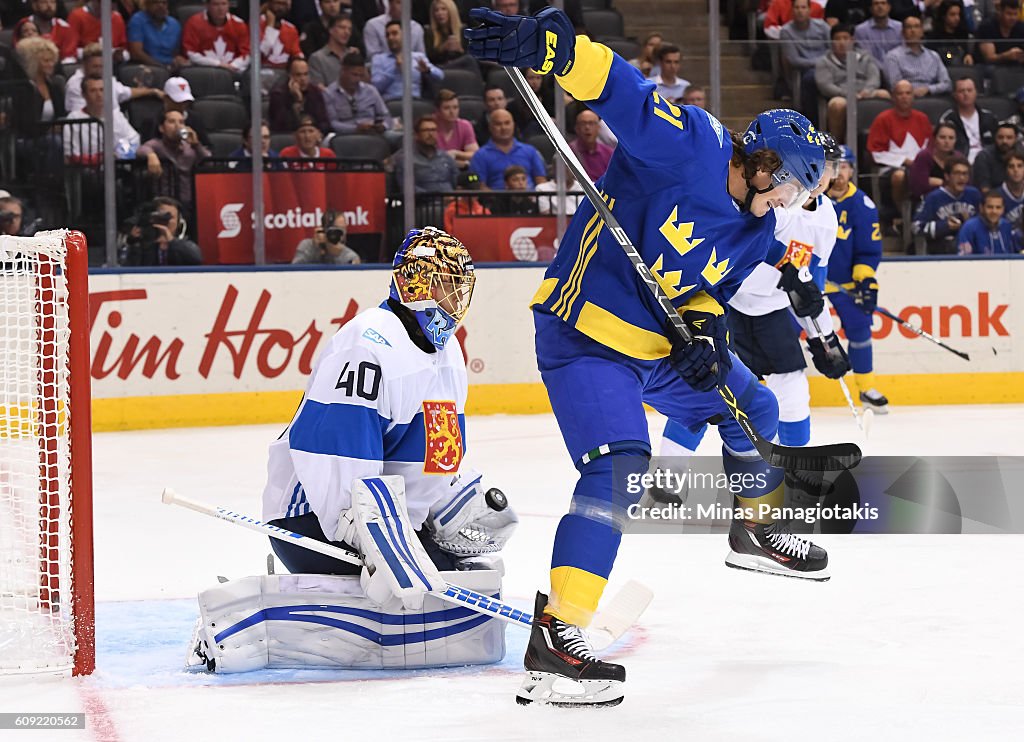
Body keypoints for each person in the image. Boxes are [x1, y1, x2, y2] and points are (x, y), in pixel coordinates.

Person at [466, 5, 831, 707]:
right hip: (586, 334)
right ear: (763, 167)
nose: (791, 200)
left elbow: (702, 294)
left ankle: (755, 528)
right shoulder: (692, 146)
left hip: (654, 347)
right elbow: (618, 87)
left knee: (750, 402)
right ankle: (558, 640)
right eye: (790, 185)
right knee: (620, 469)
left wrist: (705, 335)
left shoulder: (755, 234)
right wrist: (548, 46)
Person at [189, 227, 513, 674]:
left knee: (465, 577)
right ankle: (240, 622)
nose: (452, 299)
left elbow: (438, 454)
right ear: (413, 283)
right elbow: (334, 461)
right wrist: (379, 543)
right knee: (419, 593)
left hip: (391, 520)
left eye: (459, 287)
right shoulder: (367, 345)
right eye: (442, 284)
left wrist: (448, 512)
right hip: (314, 523)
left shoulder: (449, 352)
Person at [662, 136, 845, 452]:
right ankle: (666, 481)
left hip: (771, 312)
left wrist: (824, 339)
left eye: (829, 168)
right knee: (706, 393)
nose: (823, 175)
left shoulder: (826, 219)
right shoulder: (779, 203)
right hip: (726, 304)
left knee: (793, 392)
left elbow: (811, 289)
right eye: (818, 166)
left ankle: (794, 474)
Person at [825, 146, 888, 412]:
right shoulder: (809, 198)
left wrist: (865, 281)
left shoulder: (862, 205)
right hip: (805, 282)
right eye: (834, 167)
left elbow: (867, 250)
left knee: (860, 329)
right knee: (783, 330)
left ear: (852, 170)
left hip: (845, 284)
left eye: (845, 167)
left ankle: (866, 388)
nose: (839, 174)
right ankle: (762, 385)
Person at [866, 79, 932, 221]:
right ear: (893, 97)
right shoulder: (883, 119)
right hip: (892, 168)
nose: (904, 97)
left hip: (920, 166)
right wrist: (903, 160)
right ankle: (904, 218)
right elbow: (875, 152)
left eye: (908, 93)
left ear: (913, 96)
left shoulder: (922, 118)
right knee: (899, 177)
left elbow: (930, 146)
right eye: (900, 93)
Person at [816, 23, 889, 141]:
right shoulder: (824, 61)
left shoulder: (865, 57)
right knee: (837, 105)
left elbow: (874, 77)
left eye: (845, 38)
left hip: (865, 93)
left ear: (852, 40)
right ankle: (837, 145)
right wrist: (848, 94)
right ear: (832, 42)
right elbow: (825, 86)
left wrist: (867, 91)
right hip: (841, 95)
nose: (842, 42)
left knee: (884, 95)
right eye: (837, 39)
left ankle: (883, 140)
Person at [65, 43, 164, 117]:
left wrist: (152, 91)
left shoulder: (107, 79)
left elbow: (127, 92)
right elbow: (80, 115)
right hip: (88, 129)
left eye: (101, 66)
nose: (99, 70)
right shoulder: (75, 84)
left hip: (114, 127)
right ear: (84, 65)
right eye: (95, 66)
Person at [137, 109, 211, 204]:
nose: (177, 126)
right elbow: (141, 150)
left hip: (188, 202)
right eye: (172, 122)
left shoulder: (190, 148)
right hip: (162, 202)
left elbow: (209, 162)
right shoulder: (157, 144)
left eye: (181, 122)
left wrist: (197, 145)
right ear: (161, 128)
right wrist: (151, 155)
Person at [63, 76, 141, 165]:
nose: (99, 94)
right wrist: (101, 158)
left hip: (116, 168)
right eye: (93, 90)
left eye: (101, 90)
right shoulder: (74, 118)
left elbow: (134, 141)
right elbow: (71, 156)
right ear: (84, 94)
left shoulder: (115, 115)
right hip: (86, 172)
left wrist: (119, 153)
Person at [912, 154, 982, 253]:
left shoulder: (974, 194)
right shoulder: (933, 197)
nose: (961, 178)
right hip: (941, 250)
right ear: (947, 176)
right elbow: (916, 227)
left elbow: (984, 223)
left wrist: (969, 223)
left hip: (971, 249)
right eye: (957, 173)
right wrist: (945, 226)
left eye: (965, 174)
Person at [468, 108, 547, 189]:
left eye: (507, 123)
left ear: (513, 125)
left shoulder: (530, 151)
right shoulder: (480, 156)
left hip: (531, 199)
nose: (503, 128)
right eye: (498, 124)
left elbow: (541, 181)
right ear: (490, 127)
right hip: (496, 200)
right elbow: (480, 187)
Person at [780, 0, 831, 116]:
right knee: (810, 78)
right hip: (806, 70)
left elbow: (832, 48)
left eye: (803, 7)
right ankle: (812, 120)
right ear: (792, 10)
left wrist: (825, 62)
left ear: (809, 10)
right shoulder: (786, 31)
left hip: (829, 66)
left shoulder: (822, 26)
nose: (800, 11)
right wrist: (819, 62)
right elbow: (794, 60)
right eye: (797, 8)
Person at [371, 20, 443, 100]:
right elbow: (376, 87)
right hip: (390, 102)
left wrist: (427, 71)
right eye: (387, 35)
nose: (390, 38)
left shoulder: (418, 56)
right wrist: (394, 70)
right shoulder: (379, 59)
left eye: (394, 33)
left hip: (414, 101)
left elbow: (440, 76)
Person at [323, 50, 391, 135]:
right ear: (343, 71)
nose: (358, 79)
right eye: (354, 75)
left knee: (400, 138)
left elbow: (386, 116)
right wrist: (355, 129)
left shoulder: (371, 91)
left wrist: (383, 126)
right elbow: (332, 123)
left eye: (361, 75)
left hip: (373, 132)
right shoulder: (329, 93)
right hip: (346, 135)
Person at [121, 196, 203, 266]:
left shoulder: (184, 244)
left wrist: (171, 240)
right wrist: (134, 243)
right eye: (161, 216)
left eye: (170, 217)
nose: (165, 221)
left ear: (178, 222)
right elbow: (127, 267)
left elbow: (197, 258)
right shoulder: (143, 245)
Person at [883, 15, 952, 97]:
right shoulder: (893, 57)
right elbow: (894, 86)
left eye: (916, 26)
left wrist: (929, 89)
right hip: (906, 99)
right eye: (909, 27)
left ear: (922, 31)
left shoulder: (934, 56)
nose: (913, 30)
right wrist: (913, 91)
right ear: (903, 32)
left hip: (932, 97)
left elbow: (947, 84)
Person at [938, 77, 998, 164]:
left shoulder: (989, 117)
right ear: (955, 95)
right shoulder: (948, 119)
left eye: (969, 90)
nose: (966, 94)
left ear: (976, 93)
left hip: (988, 161)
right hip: (960, 162)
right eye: (961, 91)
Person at [393, 115, 459, 192]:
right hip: (425, 202)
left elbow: (457, 181)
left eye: (433, 130)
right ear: (416, 135)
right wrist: (437, 197)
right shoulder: (406, 160)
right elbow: (408, 189)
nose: (430, 134)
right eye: (426, 130)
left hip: (452, 201)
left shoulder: (446, 158)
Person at [182, 0, 251, 72]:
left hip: (233, 70)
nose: (220, 8)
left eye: (224, 4)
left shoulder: (239, 24)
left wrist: (233, 66)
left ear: (229, 5)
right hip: (204, 69)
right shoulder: (194, 23)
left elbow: (246, 53)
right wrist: (217, 64)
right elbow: (190, 53)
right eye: (215, 4)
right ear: (207, 5)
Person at [269, 56, 330, 133]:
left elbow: (324, 123)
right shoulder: (278, 94)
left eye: (306, 74)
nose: (303, 79)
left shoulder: (315, 92)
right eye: (298, 75)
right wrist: (298, 101)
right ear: (289, 75)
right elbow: (280, 127)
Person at [127, 0, 185, 68]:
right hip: (147, 65)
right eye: (155, 2)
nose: (160, 6)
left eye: (164, 3)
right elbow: (136, 54)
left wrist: (178, 60)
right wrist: (160, 66)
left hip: (171, 66)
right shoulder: (138, 20)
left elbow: (176, 53)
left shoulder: (174, 24)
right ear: (147, 5)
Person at [909, 121, 959, 200]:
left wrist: (941, 183)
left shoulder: (959, 158)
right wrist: (950, 184)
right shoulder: (924, 157)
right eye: (942, 137)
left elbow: (964, 186)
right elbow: (918, 188)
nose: (947, 141)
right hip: (927, 201)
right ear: (935, 139)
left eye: (951, 138)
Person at [307, 14, 359, 88]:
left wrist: (358, 61)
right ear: (331, 30)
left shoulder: (352, 55)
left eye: (349, 29)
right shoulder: (317, 58)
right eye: (342, 27)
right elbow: (318, 89)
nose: (347, 32)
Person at [291, 209, 360, 263]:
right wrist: (316, 248)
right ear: (323, 229)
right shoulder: (306, 245)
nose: (341, 235)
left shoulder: (351, 256)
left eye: (343, 229)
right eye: (335, 230)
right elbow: (294, 273)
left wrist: (335, 254)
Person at [433, 88, 478, 169]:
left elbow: (475, 154)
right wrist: (457, 162)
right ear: (437, 111)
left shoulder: (465, 125)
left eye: (455, 107)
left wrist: (456, 153)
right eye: (447, 108)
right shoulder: (430, 127)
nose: (452, 112)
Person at [25, 0, 78, 64]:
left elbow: (69, 56)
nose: (49, 6)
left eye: (52, 2)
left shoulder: (64, 27)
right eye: (44, 2)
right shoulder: (24, 26)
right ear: (34, 5)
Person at [568, 108, 614, 182]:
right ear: (576, 128)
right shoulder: (569, 152)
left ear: (598, 128)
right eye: (583, 123)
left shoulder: (609, 153)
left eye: (591, 123)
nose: (587, 127)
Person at [971, 123, 1019, 191]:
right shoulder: (984, 157)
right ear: (995, 138)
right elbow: (984, 188)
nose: (1004, 141)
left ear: (1016, 139)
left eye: (1009, 137)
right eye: (1000, 137)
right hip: (992, 198)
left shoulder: (1021, 155)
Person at [853, 0, 903, 65]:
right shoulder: (861, 30)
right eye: (876, 4)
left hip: (897, 68)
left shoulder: (900, 28)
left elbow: (902, 53)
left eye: (883, 3)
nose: (880, 6)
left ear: (889, 7)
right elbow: (866, 56)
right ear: (871, 9)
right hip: (871, 70)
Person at [976, 0, 1024, 65]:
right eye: (1009, 14)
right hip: (988, 69)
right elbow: (989, 58)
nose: (1013, 18)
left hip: (1015, 69)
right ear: (1000, 12)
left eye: (1015, 14)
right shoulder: (987, 27)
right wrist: (1006, 56)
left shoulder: (1021, 27)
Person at [926, 0, 973, 66]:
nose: (957, 18)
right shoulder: (934, 37)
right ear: (944, 16)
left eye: (958, 14)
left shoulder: (962, 35)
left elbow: (966, 51)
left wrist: (968, 55)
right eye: (952, 14)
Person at [259, 0, 303, 68]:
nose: (281, 8)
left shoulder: (291, 29)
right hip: (261, 70)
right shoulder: (257, 24)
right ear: (268, 4)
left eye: (284, 4)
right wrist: (270, 26)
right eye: (277, 3)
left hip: (284, 72)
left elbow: (297, 54)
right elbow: (262, 53)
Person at [424, 0, 465, 65]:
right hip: (441, 68)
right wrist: (443, 48)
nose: (440, 13)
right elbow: (427, 58)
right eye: (436, 10)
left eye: (443, 9)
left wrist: (460, 49)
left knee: (469, 60)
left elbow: (472, 56)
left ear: (451, 11)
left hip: (461, 66)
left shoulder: (463, 30)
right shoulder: (429, 32)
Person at [996, 149, 1024, 227]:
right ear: (1005, 170)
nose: (1016, 170)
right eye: (1011, 166)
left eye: (1020, 166)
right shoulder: (997, 196)